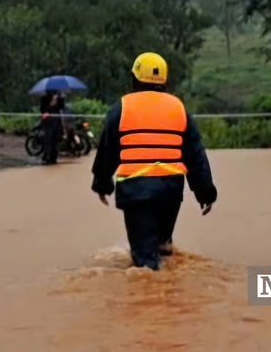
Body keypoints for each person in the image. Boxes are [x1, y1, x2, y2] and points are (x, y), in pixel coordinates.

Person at [91, 52, 218, 271]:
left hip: (136, 190)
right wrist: (205, 192)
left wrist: (102, 183)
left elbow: (107, 151)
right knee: (163, 247)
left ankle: (152, 299)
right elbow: (194, 154)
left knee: (144, 262)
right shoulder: (179, 108)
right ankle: (170, 296)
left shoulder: (121, 108)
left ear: (135, 78)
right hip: (170, 191)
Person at [39, 90, 63, 165]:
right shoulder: (45, 98)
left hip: (56, 120)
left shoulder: (59, 97)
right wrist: (49, 107)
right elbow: (42, 109)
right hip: (48, 122)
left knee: (55, 140)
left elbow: (61, 107)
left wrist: (58, 100)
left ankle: (53, 157)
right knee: (48, 139)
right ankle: (46, 157)